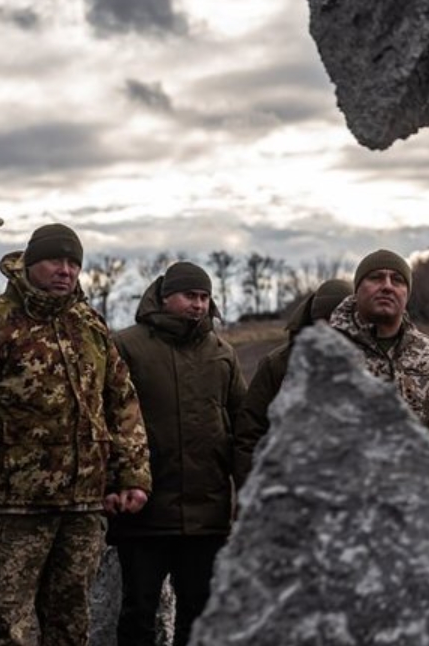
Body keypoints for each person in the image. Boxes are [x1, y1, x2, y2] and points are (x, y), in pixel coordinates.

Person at [0, 223, 151, 646]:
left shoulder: (90, 325)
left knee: (70, 625)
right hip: (15, 505)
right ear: (31, 264)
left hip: (83, 506)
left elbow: (122, 403)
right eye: (56, 260)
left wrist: (132, 477)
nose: (65, 271)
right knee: (6, 626)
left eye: (73, 263)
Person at [109, 261, 248, 646]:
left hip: (207, 513)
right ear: (166, 296)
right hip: (145, 512)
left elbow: (243, 427)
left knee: (200, 614)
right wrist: (114, 482)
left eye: (205, 298)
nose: (199, 305)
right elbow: (107, 421)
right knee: (138, 613)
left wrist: (247, 493)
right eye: (190, 296)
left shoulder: (222, 353)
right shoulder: (127, 346)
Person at [328, 249, 429, 480]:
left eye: (397, 280)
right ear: (357, 289)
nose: (387, 286)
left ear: (407, 294)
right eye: (376, 277)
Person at [236, 277, 354, 461]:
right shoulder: (278, 365)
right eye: (327, 321)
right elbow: (250, 436)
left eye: (343, 321)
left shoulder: (369, 362)